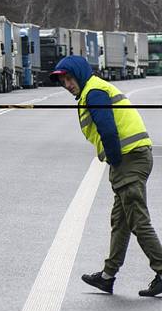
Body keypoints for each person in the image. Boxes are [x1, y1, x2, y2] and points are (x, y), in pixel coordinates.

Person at [50, 55, 162, 298]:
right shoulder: (93, 90)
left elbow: (108, 129)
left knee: (137, 221)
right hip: (131, 157)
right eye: (63, 81)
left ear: (78, 74)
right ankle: (107, 277)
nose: (67, 84)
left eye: (69, 78)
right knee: (120, 221)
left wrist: (114, 159)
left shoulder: (94, 92)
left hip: (128, 158)